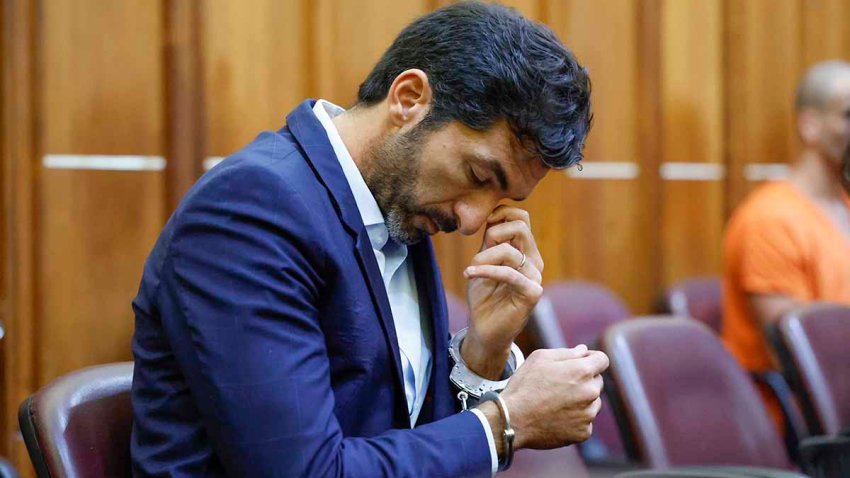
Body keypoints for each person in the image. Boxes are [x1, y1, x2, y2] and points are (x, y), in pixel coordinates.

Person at [130, 2, 607, 477]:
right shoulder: (253, 209)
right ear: (409, 99)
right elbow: (306, 472)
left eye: (501, 199)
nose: (470, 221)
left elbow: (406, 438)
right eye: (477, 174)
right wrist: (507, 421)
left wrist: (483, 350)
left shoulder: (394, 211)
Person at [722, 60, 850, 431]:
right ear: (810, 125)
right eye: (847, 115)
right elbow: (802, 350)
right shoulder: (770, 219)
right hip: (799, 423)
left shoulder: (842, 207)